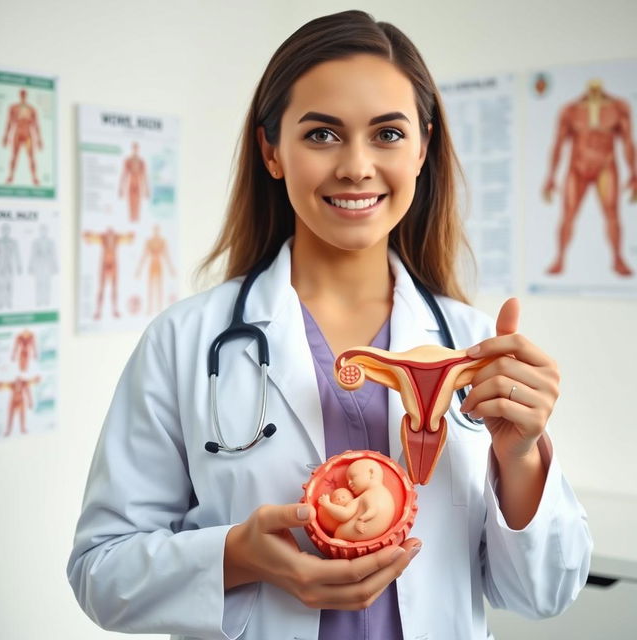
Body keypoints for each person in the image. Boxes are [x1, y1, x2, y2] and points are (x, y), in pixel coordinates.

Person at [67, 10, 592, 640]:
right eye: (321, 135)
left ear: (423, 147)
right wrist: (236, 556)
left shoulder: (475, 348)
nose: (356, 166)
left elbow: (545, 592)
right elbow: (100, 571)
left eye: (388, 134)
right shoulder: (185, 341)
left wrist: (520, 455)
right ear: (272, 151)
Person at [542, 78, 637, 276]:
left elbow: (628, 142)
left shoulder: (618, 107)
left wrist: (634, 173)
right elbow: (558, 144)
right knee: (567, 214)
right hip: (577, 167)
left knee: (612, 214)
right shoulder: (570, 110)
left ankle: (617, 258)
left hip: (605, 165)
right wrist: (550, 176)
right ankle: (559, 258)